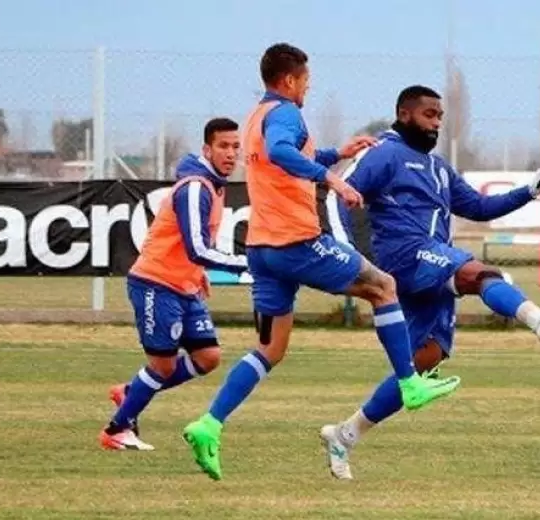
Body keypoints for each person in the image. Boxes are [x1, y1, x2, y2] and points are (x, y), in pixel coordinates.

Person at [182, 45, 461, 481]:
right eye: (306, 80)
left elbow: (287, 158)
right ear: (291, 80)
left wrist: (336, 154)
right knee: (383, 286)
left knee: (270, 349)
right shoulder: (287, 112)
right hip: (296, 242)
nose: (308, 87)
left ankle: (209, 424)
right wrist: (330, 178)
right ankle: (410, 382)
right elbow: (280, 152)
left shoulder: (256, 115)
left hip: (263, 249)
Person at [318, 85, 540, 479]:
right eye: (429, 115)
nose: (437, 123)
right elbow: (339, 193)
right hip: (405, 255)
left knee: (423, 363)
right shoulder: (384, 154)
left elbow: (479, 207)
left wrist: (530, 190)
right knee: (480, 274)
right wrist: (348, 253)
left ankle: (345, 435)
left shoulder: (439, 168)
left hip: (429, 264)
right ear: (405, 113)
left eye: (440, 117)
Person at [99, 117, 248, 451]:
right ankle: (116, 430)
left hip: (184, 285)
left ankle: (131, 391)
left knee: (207, 357)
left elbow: (192, 245)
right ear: (207, 149)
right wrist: (245, 264)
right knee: (163, 365)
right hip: (155, 282)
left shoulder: (214, 186)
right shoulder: (196, 187)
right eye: (223, 146)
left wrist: (198, 273)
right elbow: (197, 247)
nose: (230, 153)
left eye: (236, 147)